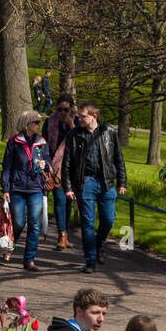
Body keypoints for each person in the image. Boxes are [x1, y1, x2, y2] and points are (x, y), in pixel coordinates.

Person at [61, 102, 127, 273]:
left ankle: (99, 245)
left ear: (94, 117)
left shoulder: (109, 132)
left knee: (109, 219)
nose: (78, 119)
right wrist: (67, 187)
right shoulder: (73, 135)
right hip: (85, 183)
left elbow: (118, 158)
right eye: (79, 116)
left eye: (82, 116)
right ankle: (90, 260)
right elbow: (66, 163)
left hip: (106, 182)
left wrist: (122, 183)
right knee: (88, 223)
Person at [0, 110, 49, 270]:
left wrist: (45, 164)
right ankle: (10, 246)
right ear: (26, 124)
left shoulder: (42, 142)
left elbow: (47, 159)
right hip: (17, 188)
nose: (39, 125)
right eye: (36, 122)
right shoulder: (14, 142)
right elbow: (6, 166)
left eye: (39, 122)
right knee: (19, 223)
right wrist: (5, 188)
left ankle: (29, 260)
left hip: (35, 187)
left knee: (34, 224)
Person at [41, 95, 76, 250]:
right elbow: (43, 142)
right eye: (59, 109)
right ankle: (61, 234)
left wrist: (72, 125)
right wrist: (45, 163)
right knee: (60, 200)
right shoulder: (50, 122)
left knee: (69, 201)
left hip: (72, 166)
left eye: (66, 109)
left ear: (71, 109)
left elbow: (82, 141)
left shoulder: (77, 123)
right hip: (55, 167)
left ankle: (65, 234)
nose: (62, 112)